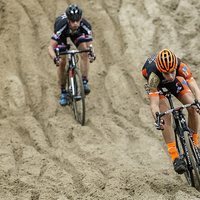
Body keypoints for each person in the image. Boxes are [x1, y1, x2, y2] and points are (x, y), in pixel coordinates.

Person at [142, 49, 200, 174]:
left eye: (172, 72)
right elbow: (154, 104)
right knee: (165, 114)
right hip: (156, 83)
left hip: (173, 83)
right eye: (166, 73)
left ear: (176, 67)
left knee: (192, 107)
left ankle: (195, 145)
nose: (170, 76)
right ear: (161, 70)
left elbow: (195, 88)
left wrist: (198, 103)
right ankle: (175, 156)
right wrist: (157, 118)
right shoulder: (153, 74)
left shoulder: (180, 65)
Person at [48, 4, 96, 106]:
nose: (75, 23)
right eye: (72, 21)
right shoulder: (61, 25)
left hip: (76, 34)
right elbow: (50, 47)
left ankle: (84, 82)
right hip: (62, 36)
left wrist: (91, 54)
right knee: (61, 62)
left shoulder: (85, 25)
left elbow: (90, 45)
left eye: (77, 20)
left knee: (85, 53)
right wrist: (54, 58)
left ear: (81, 19)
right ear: (68, 20)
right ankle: (63, 92)